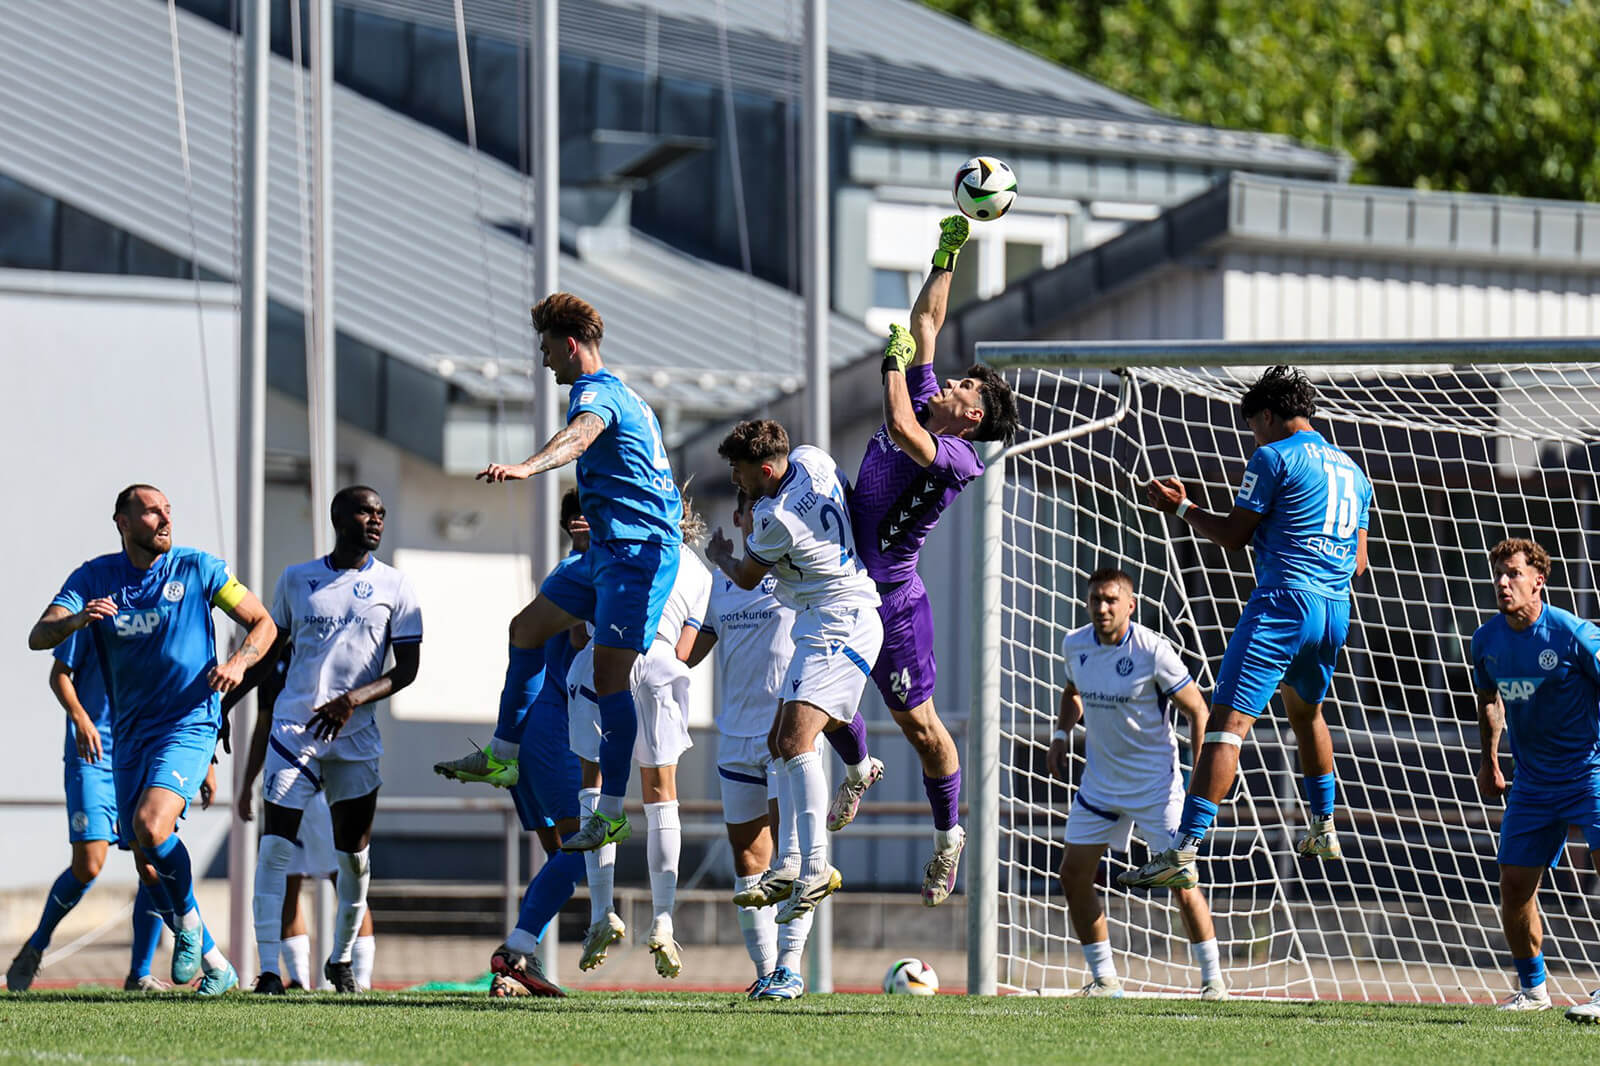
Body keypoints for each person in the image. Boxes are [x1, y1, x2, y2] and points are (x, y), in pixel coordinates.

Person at [435, 293, 682, 858]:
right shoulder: (624, 393)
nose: (544, 361)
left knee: (609, 678)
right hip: (605, 552)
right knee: (524, 630)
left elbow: (581, 435)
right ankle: (502, 754)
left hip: (637, 555)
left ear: (569, 346)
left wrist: (527, 465)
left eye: (547, 348)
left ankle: (612, 812)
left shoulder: (595, 394)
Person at [1121, 366, 1371, 892]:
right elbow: (1359, 564)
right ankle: (1323, 824)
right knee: (1306, 712)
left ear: (1266, 415)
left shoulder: (1274, 456)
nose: (1252, 437)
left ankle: (1183, 850)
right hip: (1333, 610)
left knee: (1224, 726)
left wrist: (1182, 507)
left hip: (1283, 602)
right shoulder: (1353, 470)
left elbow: (1234, 536)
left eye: (1252, 426)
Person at [27, 484, 277, 995]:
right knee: (145, 859)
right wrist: (76, 620)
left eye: (168, 510)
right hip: (129, 736)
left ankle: (185, 931)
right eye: (152, 511)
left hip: (187, 723)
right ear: (121, 521)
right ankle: (216, 963)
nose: (165, 519)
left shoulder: (197, 569)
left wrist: (237, 662)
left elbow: (262, 623)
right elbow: (39, 634)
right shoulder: (94, 577)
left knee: (150, 824)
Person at [845, 214, 1019, 906]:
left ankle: (949, 839)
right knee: (811, 694)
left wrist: (889, 365)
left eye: (963, 391)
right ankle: (858, 766)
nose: (947, 385)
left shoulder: (957, 457)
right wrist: (949, 251)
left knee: (923, 730)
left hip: (893, 605)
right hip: (842, 588)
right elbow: (926, 321)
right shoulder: (926, 396)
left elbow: (901, 430)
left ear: (972, 416)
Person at [227, 485, 421, 995]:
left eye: (381, 512)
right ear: (339, 517)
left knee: (353, 859)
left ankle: (340, 961)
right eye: (365, 511)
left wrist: (354, 700)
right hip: (296, 731)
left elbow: (408, 671)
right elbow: (270, 655)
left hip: (355, 736)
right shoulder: (296, 579)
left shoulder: (396, 586)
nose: (375, 520)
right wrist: (228, 702)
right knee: (274, 849)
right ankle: (268, 971)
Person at [706, 420, 883, 925]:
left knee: (795, 741)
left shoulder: (774, 516)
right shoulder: (813, 457)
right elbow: (846, 498)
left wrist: (719, 554)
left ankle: (816, 863)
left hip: (839, 619)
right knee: (778, 738)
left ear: (764, 469)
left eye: (739, 474)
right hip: (823, 617)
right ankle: (788, 862)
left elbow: (745, 577)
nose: (737, 482)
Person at [1048, 569, 1226, 1000]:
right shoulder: (1075, 645)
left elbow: (1198, 711)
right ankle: (1105, 979)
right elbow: (1072, 690)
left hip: (1155, 787)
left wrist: (1199, 772)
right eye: (1095, 600)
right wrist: (1060, 735)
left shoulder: (1153, 651)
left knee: (1182, 879)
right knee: (1073, 875)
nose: (1102, 608)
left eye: (1111, 600)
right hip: (1100, 785)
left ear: (1130, 604)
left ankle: (1213, 981)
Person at [564, 496, 710, 979]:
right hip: (664, 664)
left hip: (607, 659)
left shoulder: (615, 544)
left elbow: (579, 635)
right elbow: (688, 649)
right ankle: (664, 921)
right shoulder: (699, 571)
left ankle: (602, 911)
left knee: (596, 781)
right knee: (661, 793)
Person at [687, 487, 812, 1000]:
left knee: (793, 856)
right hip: (735, 738)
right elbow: (689, 653)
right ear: (740, 518)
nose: (755, 518)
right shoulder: (720, 585)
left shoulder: (793, 573)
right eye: (748, 511)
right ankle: (764, 973)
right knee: (749, 862)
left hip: (787, 734)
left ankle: (790, 968)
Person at [1469, 538, 1600, 1019]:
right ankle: (1533, 990)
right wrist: (1489, 760)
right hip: (1532, 783)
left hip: (1590, 772)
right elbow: (1488, 699)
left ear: (1538, 580)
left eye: (1514, 573)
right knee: (1514, 885)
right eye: (1498, 574)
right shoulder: (1486, 641)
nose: (1504, 582)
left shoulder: (1573, 634)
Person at [5, 636, 168, 993]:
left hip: (140, 750)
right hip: (92, 754)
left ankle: (139, 974)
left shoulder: (160, 605)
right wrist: (80, 718)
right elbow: (59, 673)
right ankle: (37, 944)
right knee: (89, 864)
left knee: (151, 861)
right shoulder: (94, 604)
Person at [487, 490, 592, 999]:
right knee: (583, 850)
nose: (580, 518)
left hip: (539, 734)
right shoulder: (581, 571)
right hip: (554, 735)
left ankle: (516, 967)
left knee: (561, 859)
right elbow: (576, 640)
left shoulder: (572, 569)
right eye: (573, 511)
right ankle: (516, 950)